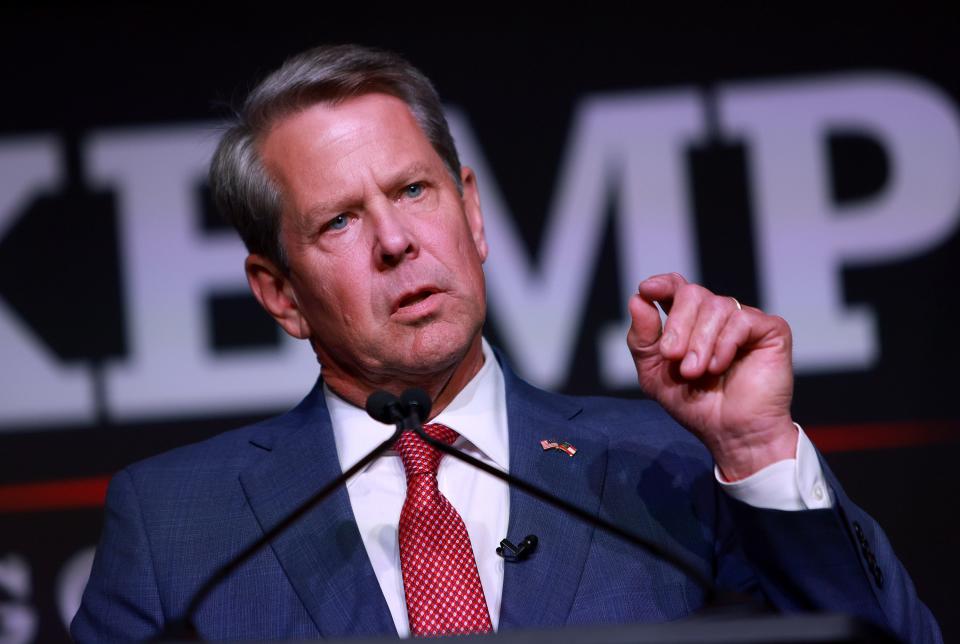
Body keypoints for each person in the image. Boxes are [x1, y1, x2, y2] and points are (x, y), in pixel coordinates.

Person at [71, 44, 941, 642]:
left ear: (473, 213)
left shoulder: (669, 468)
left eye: (414, 191)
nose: (396, 241)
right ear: (279, 292)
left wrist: (755, 451)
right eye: (340, 219)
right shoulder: (176, 526)